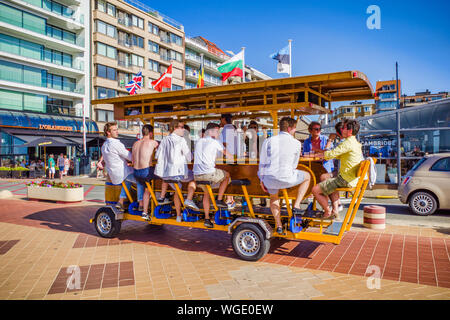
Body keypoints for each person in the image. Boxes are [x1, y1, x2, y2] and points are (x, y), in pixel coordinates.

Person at [258, 117, 311, 235]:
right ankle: (297, 205)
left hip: (269, 178)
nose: (295, 131)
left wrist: (261, 179)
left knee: (273, 198)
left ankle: (278, 224)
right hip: (287, 178)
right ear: (289, 128)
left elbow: (262, 162)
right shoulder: (296, 143)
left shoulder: (269, 140)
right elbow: (294, 165)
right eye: (294, 129)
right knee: (307, 176)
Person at [305, 119, 363, 220]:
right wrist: (324, 153)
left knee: (314, 190)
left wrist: (322, 153)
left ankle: (327, 212)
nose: (341, 129)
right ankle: (335, 209)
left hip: (345, 179)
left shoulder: (347, 143)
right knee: (326, 179)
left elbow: (330, 155)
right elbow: (338, 155)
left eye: (344, 127)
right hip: (350, 179)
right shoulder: (354, 142)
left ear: (349, 131)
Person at [155, 119, 199, 222]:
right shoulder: (181, 140)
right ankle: (189, 199)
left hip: (166, 176)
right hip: (178, 174)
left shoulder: (164, 140)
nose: (184, 129)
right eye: (182, 127)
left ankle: (178, 215)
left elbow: (157, 155)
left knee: (177, 190)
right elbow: (189, 157)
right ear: (175, 128)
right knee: (196, 176)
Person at [193, 122, 232, 228]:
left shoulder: (199, 141)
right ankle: (219, 199)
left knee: (206, 193)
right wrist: (233, 157)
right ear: (210, 132)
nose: (218, 133)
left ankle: (207, 219)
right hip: (208, 174)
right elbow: (228, 155)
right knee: (227, 175)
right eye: (217, 131)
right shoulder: (215, 141)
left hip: (197, 176)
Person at [101, 122, 136, 212]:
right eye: (114, 130)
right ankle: (142, 203)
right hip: (123, 173)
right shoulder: (116, 144)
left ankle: (121, 201)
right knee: (142, 181)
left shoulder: (104, 145)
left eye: (117, 129)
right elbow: (130, 156)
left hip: (114, 174)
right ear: (108, 132)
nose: (117, 131)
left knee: (128, 181)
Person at [132, 124, 159, 220]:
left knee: (143, 184)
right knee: (164, 177)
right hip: (146, 172)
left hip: (136, 172)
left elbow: (133, 160)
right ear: (151, 133)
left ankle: (141, 204)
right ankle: (163, 198)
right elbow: (160, 154)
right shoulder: (153, 142)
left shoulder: (135, 143)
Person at [219, 113, 236, 209]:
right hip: (234, 157)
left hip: (227, 158)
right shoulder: (234, 129)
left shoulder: (226, 129)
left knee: (226, 177)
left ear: (223, 119)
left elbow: (224, 143)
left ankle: (228, 200)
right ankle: (229, 199)